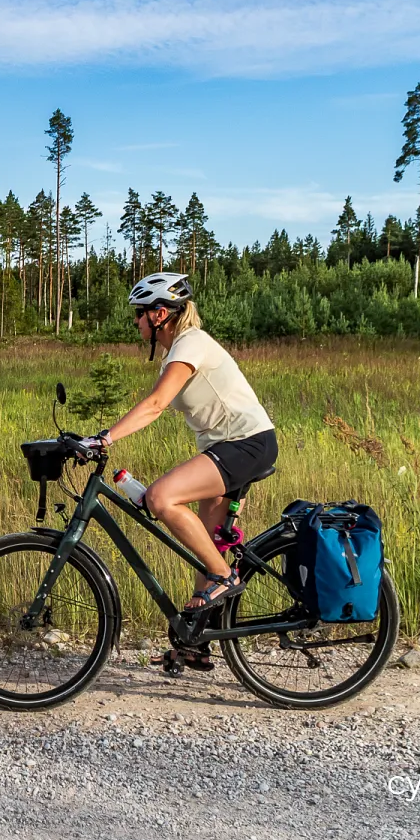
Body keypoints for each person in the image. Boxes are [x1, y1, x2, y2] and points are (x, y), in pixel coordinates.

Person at [82, 272, 277, 644]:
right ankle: (196, 643)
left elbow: (156, 404)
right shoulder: (179, 350)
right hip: (230, 446)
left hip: (246, 443)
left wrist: (104, 438)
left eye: (137, 315)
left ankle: (225, 577)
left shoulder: (192, 343)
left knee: (160, 497)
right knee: (207, 544)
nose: (135, 323)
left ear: (159, 314)